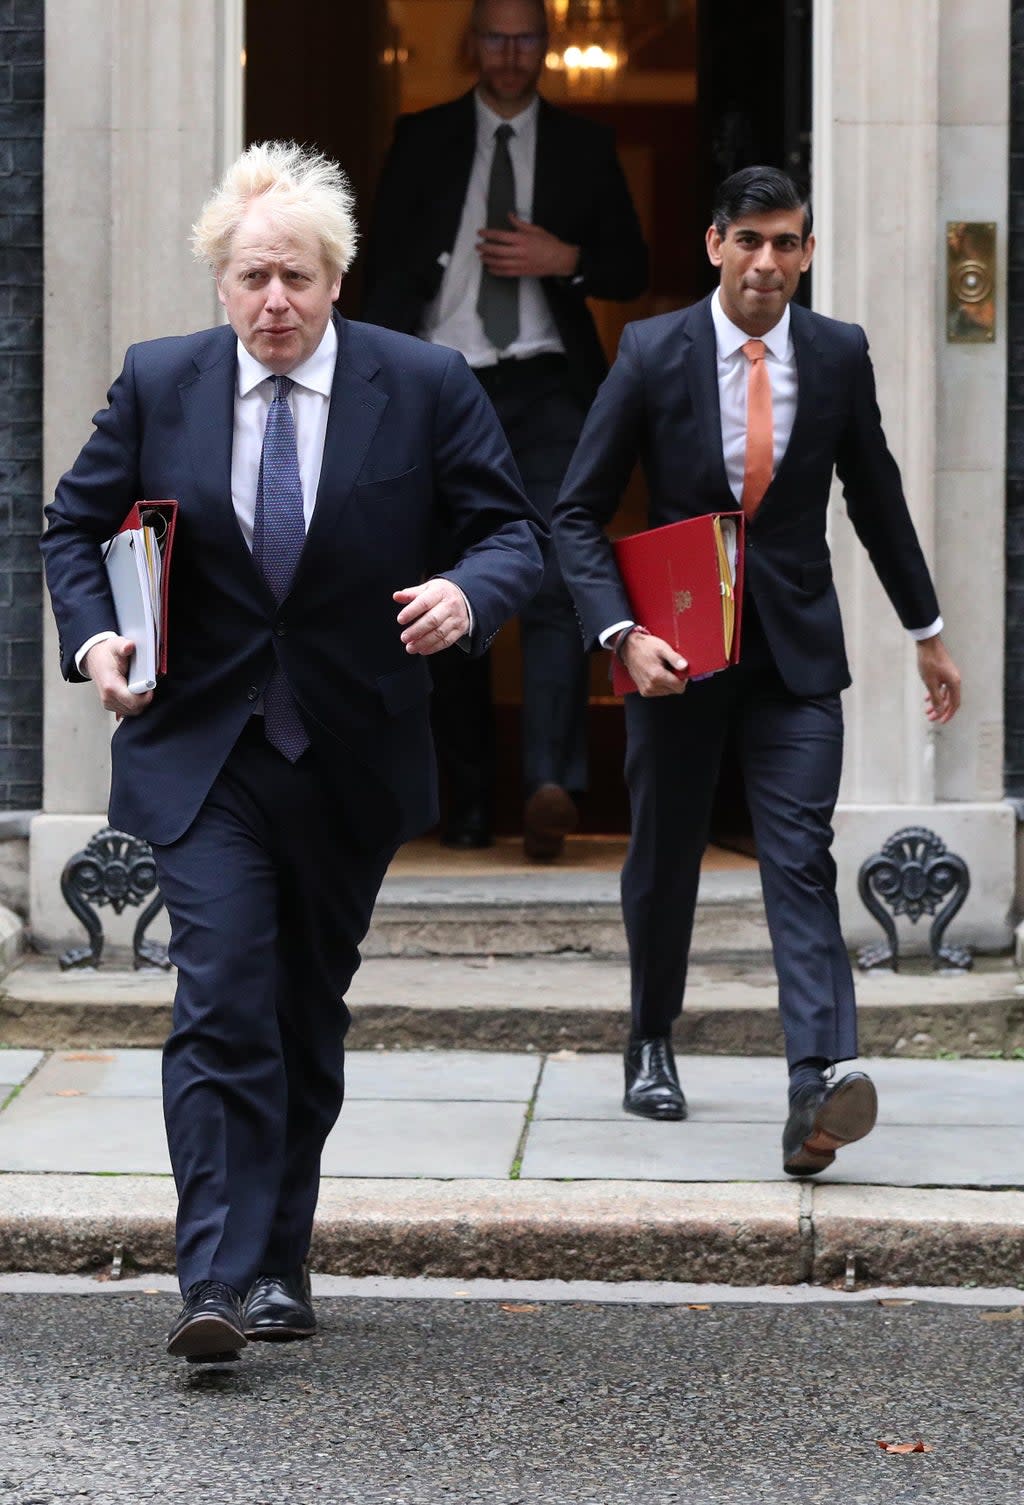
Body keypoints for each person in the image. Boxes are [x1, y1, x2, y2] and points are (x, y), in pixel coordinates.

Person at [41, 141, 545, 1361]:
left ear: (337, 283)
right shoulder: (162, 384)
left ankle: (279, 1258)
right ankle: (211, 1278)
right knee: (221, 996)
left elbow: (510, 532)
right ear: (221, 282)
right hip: (203, 746)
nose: (277, 301)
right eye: (255, 276)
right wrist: (96, 639)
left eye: (300, 279)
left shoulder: (419, 383)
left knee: (304, 1008)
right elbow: (75, 522)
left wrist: (466, 597)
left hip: (347, 750)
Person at [552, 166, 962, 1175]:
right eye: (749, 241)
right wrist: (620, 635)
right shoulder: (651, 351)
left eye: (786, 243)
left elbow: (875, 494)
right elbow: (574, 512)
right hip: (673, 653)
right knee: (665, 851)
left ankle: (815, 1085)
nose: (767, 262)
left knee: (797, 855)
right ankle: (650, 1036)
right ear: (713, 245)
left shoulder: (833, 353)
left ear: (808, 253)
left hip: (794, 655)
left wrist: (928, 628)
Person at [362, 0, 648, 859]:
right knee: (446, 590)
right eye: (497, 36)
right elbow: (379, 271)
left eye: (527, 37)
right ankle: (469, 802)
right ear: (472, 44)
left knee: (561, 579)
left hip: (547, 385)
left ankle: (548, 788)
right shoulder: (421, 137)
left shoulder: (585, 147)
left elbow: (633, 267)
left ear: (547, 48)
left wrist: (568, 260)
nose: (512, 53)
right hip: (442, 387)